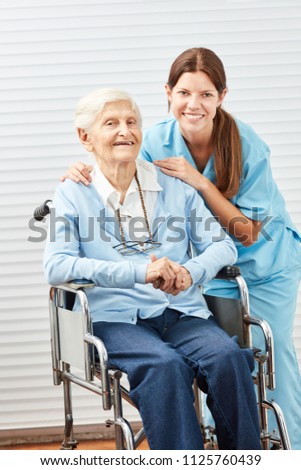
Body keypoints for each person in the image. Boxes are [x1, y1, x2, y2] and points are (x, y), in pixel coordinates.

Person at [62, 48, 301, 449]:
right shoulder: (153, 139)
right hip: (198, 276)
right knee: (217, 357)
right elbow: (118, 171)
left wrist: (201, 182)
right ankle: (207, 445)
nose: (194, 104)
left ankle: (288, 447)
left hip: (264, 266)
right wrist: (77, 172)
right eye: (185, 93)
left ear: (221, 96)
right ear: (169, 93)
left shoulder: (246, 144)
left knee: (270, 356)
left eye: (206, 94)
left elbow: (244, 234)